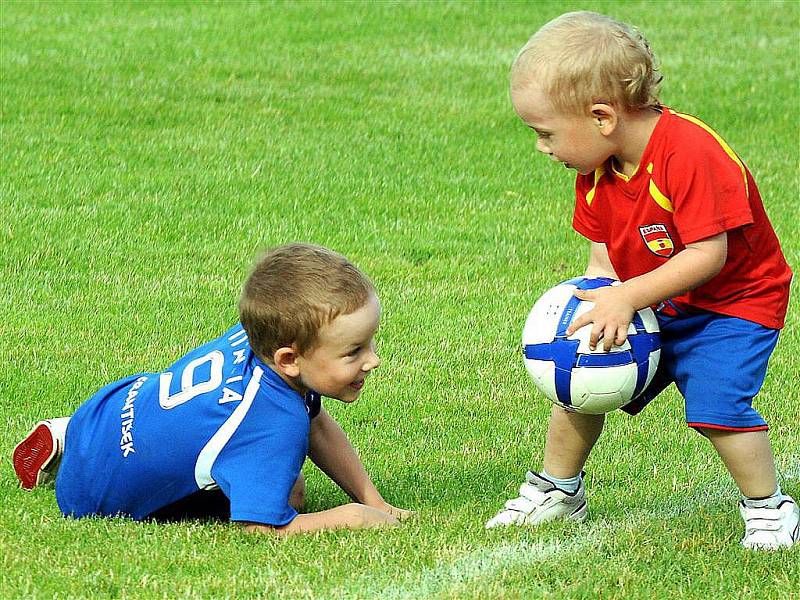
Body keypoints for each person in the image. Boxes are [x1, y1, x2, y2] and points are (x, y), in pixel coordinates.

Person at [485, 11, 798, 550]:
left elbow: (708, 255)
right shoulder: (596, 170)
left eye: (545, 133)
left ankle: (768, 507)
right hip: (659, 298)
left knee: (716, 404)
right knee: (575, 380)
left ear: (602, 117)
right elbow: (604, 253)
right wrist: (599, 300)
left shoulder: (692, 154)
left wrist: (629, 296)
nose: (542, 147)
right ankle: (560, 491)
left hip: (732, 303)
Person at [13, 243, 410, 534]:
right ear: (290, 358)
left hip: (106, 408)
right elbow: (262, 529)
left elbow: (316, 421)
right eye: (354, 351)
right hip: (91, 499)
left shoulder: (261, 338)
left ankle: (70, 436)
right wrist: (354, 516)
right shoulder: (272, 422)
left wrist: (371, 498)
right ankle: (78, 460)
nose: (373, 360)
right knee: (289, 493)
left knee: (212, 445)